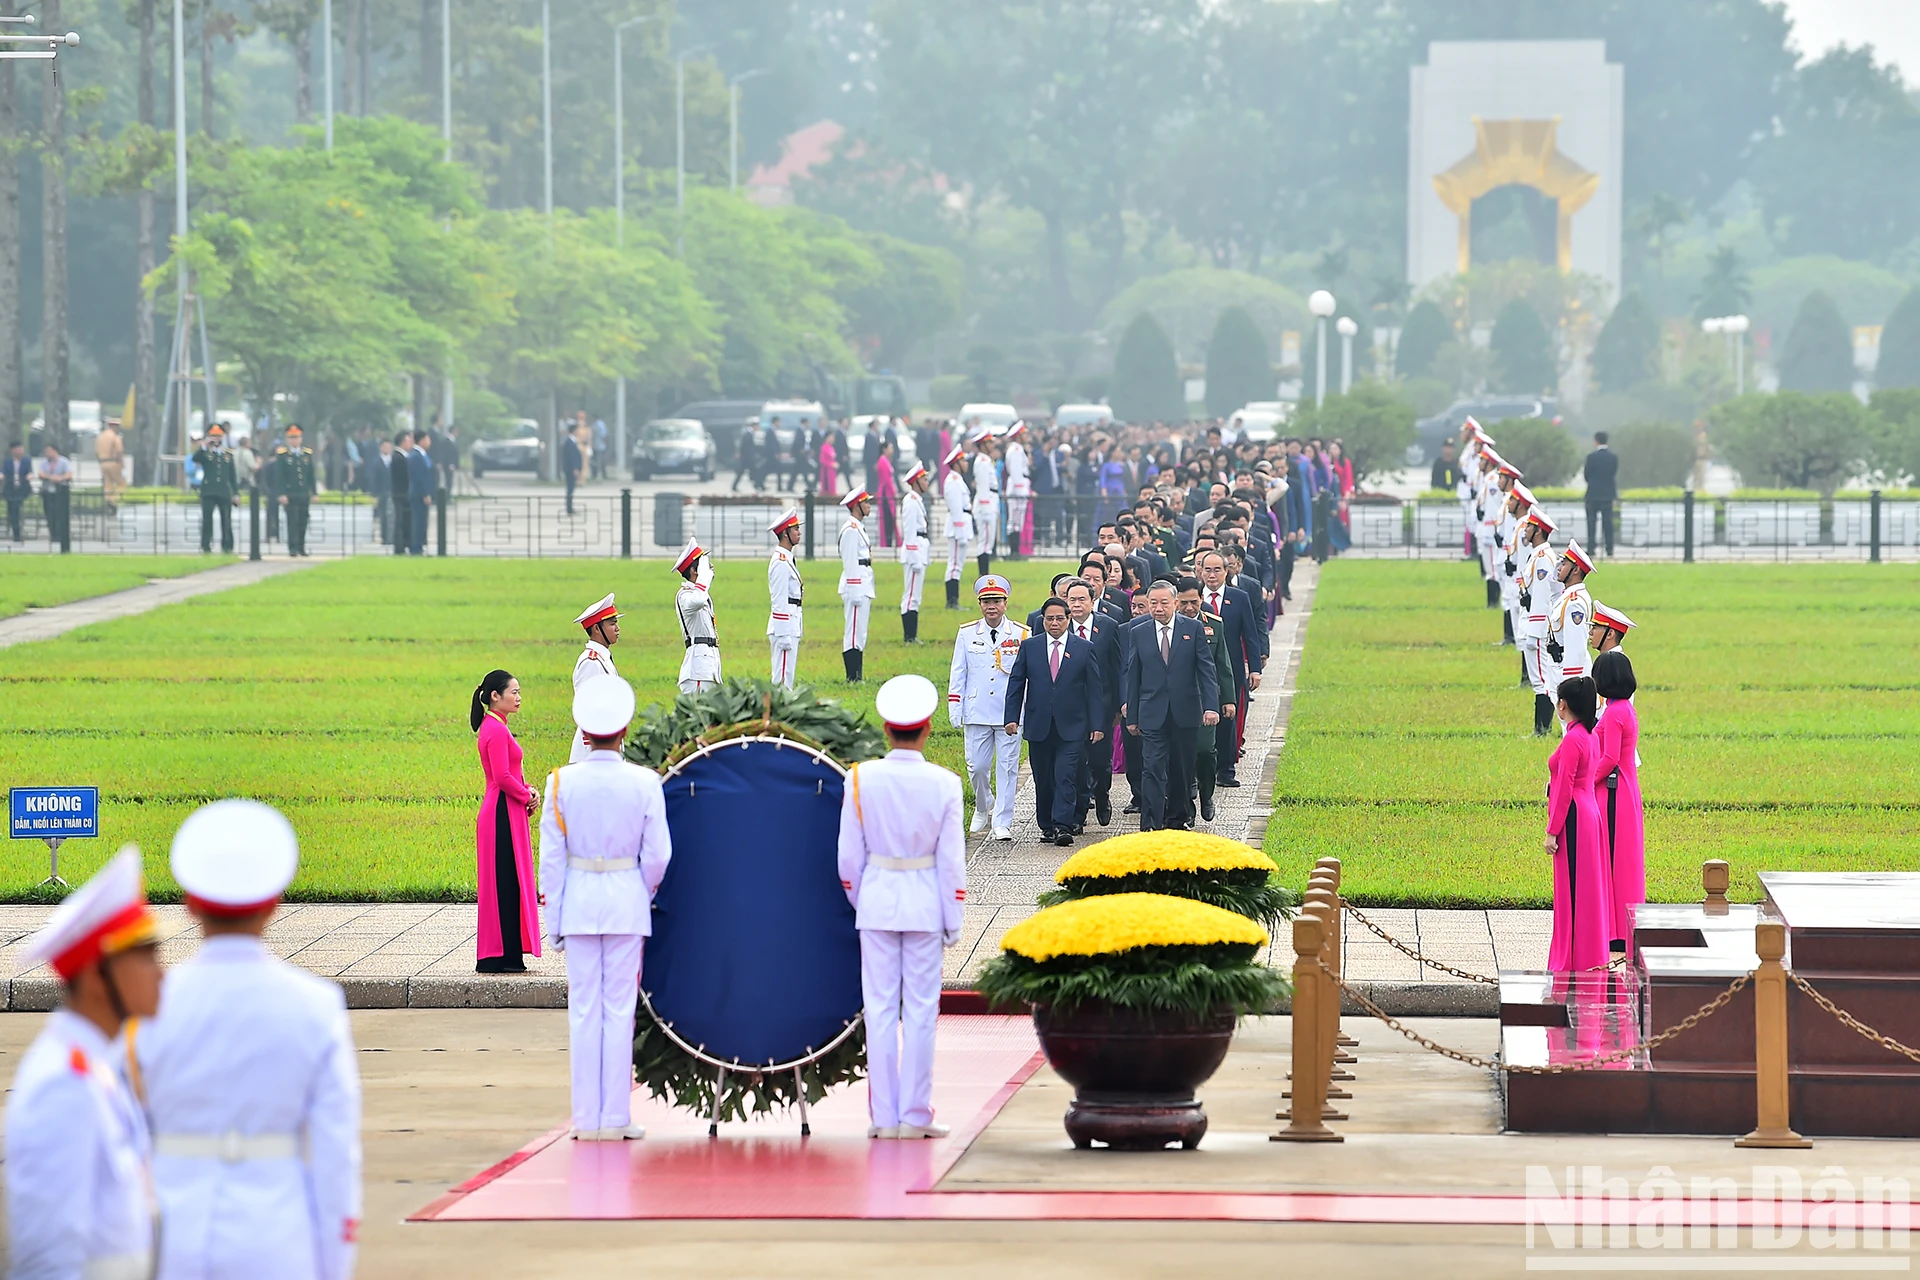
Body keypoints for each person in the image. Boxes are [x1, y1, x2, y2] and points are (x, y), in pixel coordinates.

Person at [140, 800, 362, 1280]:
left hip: (171, 1244)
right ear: (274, 902)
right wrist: (333, 1266)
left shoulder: (151, 1006)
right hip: (277, 1242)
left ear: (189, 903)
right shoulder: (316, 1005)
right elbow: (335, 1157)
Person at [6, 849, 163, 1280]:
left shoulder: (97, 1067)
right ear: (97, 976)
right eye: (146, 956)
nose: (162, 972)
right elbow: (49, 1257)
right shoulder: (65, 1085)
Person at [539, 676, 672, 1141]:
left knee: (583, 1011)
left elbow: (552, 864)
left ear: (583, 730)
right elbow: (658, 856)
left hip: (578, 904)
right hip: (625, 903)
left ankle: (586, 1119)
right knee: (619, 1011)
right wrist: (642, 893)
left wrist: (552, 922)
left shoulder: (560, 783)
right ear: (624, 729)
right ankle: (614, 1117)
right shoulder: (644, 782)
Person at [837, 674, 966, 1140]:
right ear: (928, 728)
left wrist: (863, 899)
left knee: (879, 1009)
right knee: (920, 1011)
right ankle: (915, 1114)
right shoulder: (945, 784)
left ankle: (884, 1117)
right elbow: (951, 863)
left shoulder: (859, 779)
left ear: (886, 729)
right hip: (926, 904)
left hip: (876, 901)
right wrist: (953, 920)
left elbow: (848, 861)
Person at [1121, 579, 1220, 832]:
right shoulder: (1139, 632)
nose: (1158, 608)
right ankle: (1151, 822)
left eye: (1164, 603)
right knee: (1152, 767)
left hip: (1185, 711)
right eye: (1153, 603)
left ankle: (1178, 819)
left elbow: (1206, 670)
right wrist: (1132, 715)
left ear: (1175, 603)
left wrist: (1211, 706)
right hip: (1152, 712)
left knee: (1182, 768)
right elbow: (1132, 676)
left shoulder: (1193, 629)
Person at [1004, 595, 1103, 845]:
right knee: (1044, 778)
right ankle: (1046, 825)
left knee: (1066, 775)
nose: (1055, 623)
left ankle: (1063, 826)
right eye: (1050, 619)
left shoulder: (1083, 648)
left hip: (1073, 726)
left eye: (1060, 618)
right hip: (1039, 725)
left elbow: (1094, 689)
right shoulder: (1030, 647)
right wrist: (1011, 718)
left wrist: (1097, 724)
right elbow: (1017, 683)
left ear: (1069, 619)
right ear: (1043, 621)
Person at [948, 574, 1027, 840]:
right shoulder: (967, 633)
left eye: (996, 601)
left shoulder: (1020, 633)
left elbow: (1027, 676)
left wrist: (1024, 710)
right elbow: (958, 672)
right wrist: (955, 707)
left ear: (1005, 603)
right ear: (980, 604)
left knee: (1007, 767)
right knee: (977, 767)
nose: (991, 606)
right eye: (986, 601)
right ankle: (983, 805)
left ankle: (1002, 822)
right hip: (977, 710)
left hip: (1009, 712)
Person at [474, 669, 541, 974]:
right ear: (494, 696)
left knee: (505, 882)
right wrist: (526, 795)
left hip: (506, 809)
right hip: (501, 811)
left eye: (519, 691)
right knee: (505, 883)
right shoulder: (496, 730)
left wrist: (527, 793)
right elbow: (501, 777)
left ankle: (503, 954)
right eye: (513, 692)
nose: (518, 697)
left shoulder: (496, 726)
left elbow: (509, 775)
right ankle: (504, 956)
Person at [1543, 677, 1611, 972]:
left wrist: (1551, 831)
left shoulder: (1573, 739)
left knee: (1571, 891)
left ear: (1564, 704)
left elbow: (1564, 790)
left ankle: (1570, 957)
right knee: (1587, 888)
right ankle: (1588, 954)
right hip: (1590, 812)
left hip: (1573, 815)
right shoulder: (1590, 736)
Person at [1197, 551, 1261, 786]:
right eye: (1207, 570)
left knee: (1228, 718)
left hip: (1230, 669)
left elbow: (1250, 634)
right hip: (1198, 670)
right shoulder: (1193, 598)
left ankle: (1226, 770)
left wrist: (1255, 668)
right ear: (1200, 571)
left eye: (1217, 570)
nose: (1212, 575)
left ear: (1227, 571)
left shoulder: (1239, 597)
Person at [1593, 651, 1643, 949]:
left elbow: (1610, 756)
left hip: (1614, 792)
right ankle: (1624, 927)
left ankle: (1615, 931)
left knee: (1612, 859)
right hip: (1627, 789)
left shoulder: (1613, 713)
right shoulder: (1624, 708)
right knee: (1624, 860)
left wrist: (1586, 781)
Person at [1063, 579, 1121, 828]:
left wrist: (1119, 706)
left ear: (1092, 601)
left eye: (1081, 599)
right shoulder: (1059, 627)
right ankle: (1078, 813)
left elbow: (1117, 668)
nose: (1077, 604)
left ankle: (1102, 795)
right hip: (1071, 707)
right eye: (1072, 600)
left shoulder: (1108, 626)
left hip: (1102, 705)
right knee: (1075, 761)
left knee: (1099, 759)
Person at [1177, 575, 1232, 823]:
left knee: (1205, 752)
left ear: (1201, 599)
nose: (1189, 608)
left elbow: (1223, 664)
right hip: (1177, 701)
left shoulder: (1214, 625)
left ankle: (1206, 794)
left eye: (1193, 602)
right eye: (1184, 603)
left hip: (1205, 700)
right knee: (1181, 754)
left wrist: (1227, 699)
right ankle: (1186, 808)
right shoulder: (1171, 625)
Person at [1517, 507, 1561, 736]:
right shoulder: (1537, 556)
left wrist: (1535, 632)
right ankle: (1540, 729)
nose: (1525, 529)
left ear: (1538, 531)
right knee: (1540, 679)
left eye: (1529, 526)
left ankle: (1542, 730)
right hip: (1534, 624)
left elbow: (1543, 598)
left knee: (1542, 681)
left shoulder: (1543, 559)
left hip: (1538, 627)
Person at [570, 593, 621, 762]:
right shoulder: (591, 662)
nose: (617, 628)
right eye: (612, 624)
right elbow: (587, 709)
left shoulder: (602, 658)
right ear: (597, 628)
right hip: (593, 750)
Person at [1546, 540, 1595, 697]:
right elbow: (1553, 586)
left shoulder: (1575, 602)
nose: (1559, 567)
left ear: (1576, 570)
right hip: (1558, 666)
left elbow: (1576, 647)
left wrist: (1570, 685)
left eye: (1564, 564)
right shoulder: (1566, 596)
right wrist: (1557, 572)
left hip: (1567, 671)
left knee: (1573, 721)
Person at [673, 538, 722, 694]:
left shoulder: (698, 593)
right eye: (705, 565)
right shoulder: (685, 595)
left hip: (707, 665)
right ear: (695, 571)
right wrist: (704, 577)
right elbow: (698, 600)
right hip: (698, 671)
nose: (711, 567)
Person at [839, 488, 876, 682]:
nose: (869, 505)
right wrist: (854, 589)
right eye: (866, 502)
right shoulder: (851, 530)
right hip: (856, 585)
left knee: (860, 631)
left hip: (864, 583)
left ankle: (857, 675)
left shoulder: (858, 527)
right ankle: (852, 676)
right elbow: (850, 561)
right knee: (853, 632)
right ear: (856, 506)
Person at [767, 508, 805, 688]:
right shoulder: (780, 562)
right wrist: (783, 634)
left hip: (791, 622)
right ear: (785, 533)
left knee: (787, 676)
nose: (799, 532)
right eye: (795, 529)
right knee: (781, 680)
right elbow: (779, 599)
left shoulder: (787, 559)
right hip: (785, 626)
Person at [192, 424, 239, 553]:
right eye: (213, 436)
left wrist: (236, 493)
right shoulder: (205, 452)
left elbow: (232, 475)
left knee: (226, 520)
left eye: (218, 436)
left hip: (223, 490)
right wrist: (203, 446)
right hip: (208, 490)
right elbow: (195, 459)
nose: (216, 439)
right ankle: (206, 546)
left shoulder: (228, 454)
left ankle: (227, 546)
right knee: (207, 520)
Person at [898, 462, 931, 642]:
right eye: (924, 480)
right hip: (914, 552)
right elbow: (909, 531)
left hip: (920, 549)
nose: (927, 483)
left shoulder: (916, 500)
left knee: (915, 595)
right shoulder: (910, 502)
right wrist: (914, 556)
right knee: (911, 595)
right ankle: (909, 636)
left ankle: (912, 634)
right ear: (916, 482)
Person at [274, 424, 319, 557]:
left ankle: (301, 546)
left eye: (297, 437)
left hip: (303, 493)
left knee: (302, 521)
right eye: (292, 438)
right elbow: (279, 476)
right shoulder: (282, 455)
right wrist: (281, 493)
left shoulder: (307, 454)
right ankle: (293, 547)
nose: (294, 440)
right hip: (290, 493)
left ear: (301, 438)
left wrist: (314, 492)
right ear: (288, 439)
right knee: (292, 521)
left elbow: (311, 476)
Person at [940, 444, 974, 609]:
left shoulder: (957, 480)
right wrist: (960, 530)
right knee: (954, 565)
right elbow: (955, 508)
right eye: (964, 461)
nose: (966, 464)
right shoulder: (953, 481)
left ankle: (954, 600)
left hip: (961, 524)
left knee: (957, 565)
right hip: (957, 526)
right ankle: (951, 600)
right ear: (956, 463)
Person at [970, 430, 1000, 580]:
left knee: (987, 541)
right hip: (985, 504)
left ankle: (985, 573)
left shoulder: (986, 460)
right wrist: (987, 507)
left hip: (991, 500)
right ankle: (983, 574)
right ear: (982, 445)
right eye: (989, 442)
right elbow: (982, 487)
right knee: (985, 542)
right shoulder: (981, 462)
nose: (992, 445)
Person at [1584, 431, 1618, 557]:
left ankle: (1591, 548)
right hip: (1608, 494)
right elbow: (1613, 473)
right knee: (1608, 522)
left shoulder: (1591, 457)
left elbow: (1587, 475)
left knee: (1591, 522)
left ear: (1596, 441)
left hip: (1593, 493)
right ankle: (1609, 549)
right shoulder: (1613, 457)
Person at [1002, 420, 1031, 559]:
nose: (1027, 436)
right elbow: (1015, 471)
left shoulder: (1018, 449)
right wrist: (1020, 489)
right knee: (1014, 521)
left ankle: (1015, 551)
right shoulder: (1016, 450)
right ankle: (1013, 551)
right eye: (1024, 434)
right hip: (1017, 487)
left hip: (1020, 485)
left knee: (1017, 521)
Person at [36, 442, 72, 548]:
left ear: (55, 451)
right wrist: (50, 477)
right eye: (46, 451)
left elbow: (68, 474)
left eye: (49, 451)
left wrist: (60, 478)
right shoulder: (44, 463)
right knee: (49, 513)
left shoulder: (64, 462)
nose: (47, 453)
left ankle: (61, 535)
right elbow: (41, 474)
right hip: (47, 491)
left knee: (60, 513)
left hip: (61, 491)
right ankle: (53, 534)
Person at [408, 430, 434, 555]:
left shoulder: (423, 455)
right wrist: (425, 494)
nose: (430, 442)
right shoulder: (416, 456)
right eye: (428, 439)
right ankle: (416, 547)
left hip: (423, 493)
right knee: (418, 521)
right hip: (418, 495)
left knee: (422, 521)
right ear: (422, 440)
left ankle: (421, 545)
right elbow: (418, 477)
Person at [4, 439, 34, 541]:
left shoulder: (27, 460)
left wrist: (29, 476)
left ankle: (17, 533)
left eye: (21, 448)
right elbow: (2, 472)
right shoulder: (7, 461)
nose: (20, 450)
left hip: (23, 489)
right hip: (10, 489)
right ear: (12, 450)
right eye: (18, 449)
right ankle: (15, 530)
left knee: (16, 507)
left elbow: (30, 472)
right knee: (12, 509)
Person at [389, 429, 413, 553]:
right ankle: (399, 546)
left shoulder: (403, 456)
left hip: (403, 494)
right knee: (399, 520)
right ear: (403, 441)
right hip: (400, 494)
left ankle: (404, 543)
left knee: (404, 520)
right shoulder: (398, 457)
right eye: (409, 440)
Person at [96, 418, 127, 508]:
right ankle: (113, 500)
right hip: (113, 462)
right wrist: (122, 465)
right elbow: (119, 451)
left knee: (108, 484)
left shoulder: (100, 437)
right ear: (115, 426)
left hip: (103, 463)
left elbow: (96, 452)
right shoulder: (115, 437)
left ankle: (108, 500)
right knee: (121, 484)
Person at [562, 422, 584, 516]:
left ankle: (570, 507)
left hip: (571, 469)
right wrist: (575, 468)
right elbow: (572, 457)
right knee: (570, 488)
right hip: (570, 470)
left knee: (571, 488)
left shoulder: (572, 441)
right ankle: (569, 508)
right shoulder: (569, 442)